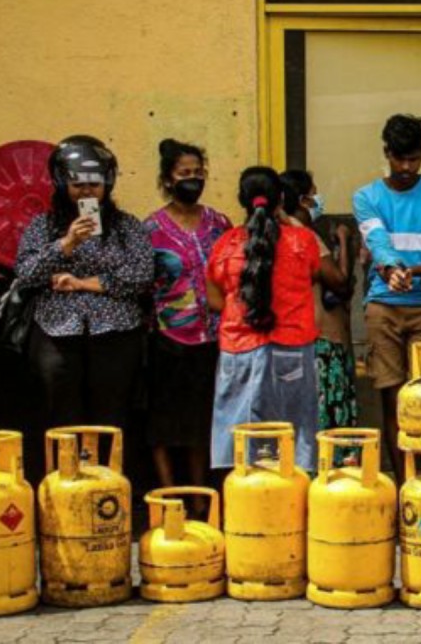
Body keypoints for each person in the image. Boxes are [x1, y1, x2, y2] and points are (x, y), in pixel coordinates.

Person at [353, 114, 421, 487]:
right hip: (383, 306)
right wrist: (391, 269)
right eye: (399, 159)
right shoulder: (366, 197)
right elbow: (378, 243)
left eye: (414, 159)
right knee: (393, 398)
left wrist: (412, 272)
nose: (406, 167)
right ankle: (405, 489)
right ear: (386, 153)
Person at [15, 135, 152, 431]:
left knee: (111, 414)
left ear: (107, 184)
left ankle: (109, 462)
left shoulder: (126, 226)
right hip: (57, 332)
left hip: (116, 332)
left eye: (94, 184)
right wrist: (65, 244)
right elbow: (25, 274)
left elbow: (141, 275)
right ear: (63, 185)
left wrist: (81, 283)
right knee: (62, 416)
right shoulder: (43, 225)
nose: (87, 191)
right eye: (78, 185)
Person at [207, 167, 320, 473]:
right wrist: (287, 219)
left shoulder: (225, 245)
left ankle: (243, 496)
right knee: (291, 441)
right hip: (291, 348)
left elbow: (215, 300)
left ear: (242, 200)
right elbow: (312, 275)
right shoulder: (302, 241)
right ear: (280, 199)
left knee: (240, 441)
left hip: (238, 350)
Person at [143, 138, 231, 491]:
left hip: (213, 336)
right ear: (168, 179)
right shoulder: (151, 229)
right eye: (184, 173)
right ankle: (168, 494)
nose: (192, 179)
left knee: (202, 420)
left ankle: (199, 497)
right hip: (168, 336)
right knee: (163, 422)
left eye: (198, 172)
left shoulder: (219, 223)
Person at [280, 170, 357, 436]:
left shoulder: (281, 232)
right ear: (303, 200)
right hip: (320, 339)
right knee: (328, 422)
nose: (318, 200)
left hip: (295, 337)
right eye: (314, 194)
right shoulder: (303, 235)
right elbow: (340, 282)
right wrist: (344, 240)